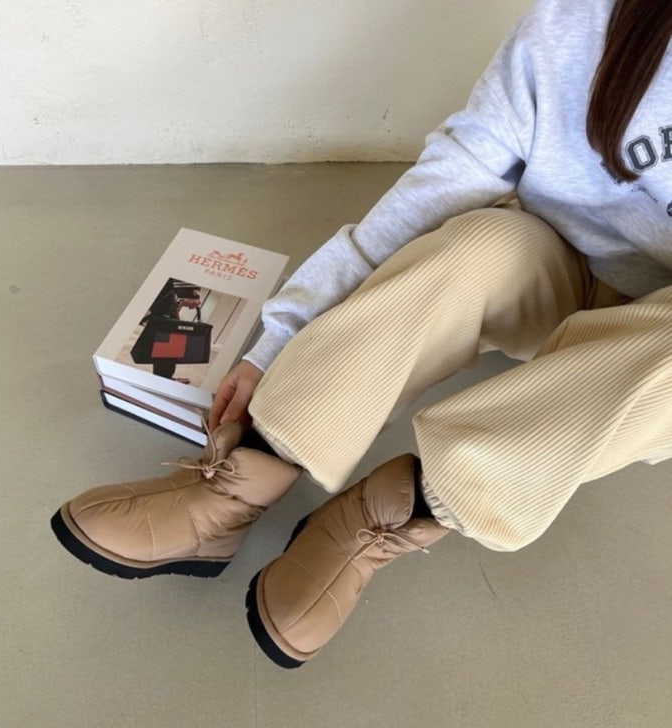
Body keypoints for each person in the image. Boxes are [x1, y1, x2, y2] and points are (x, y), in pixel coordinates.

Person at [51, 0, 672, 669]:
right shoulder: (584, 19)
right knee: (484, 241)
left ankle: (396, 512)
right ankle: (249, 473)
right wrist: (278, 340)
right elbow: (443, 183)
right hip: (560, 274)